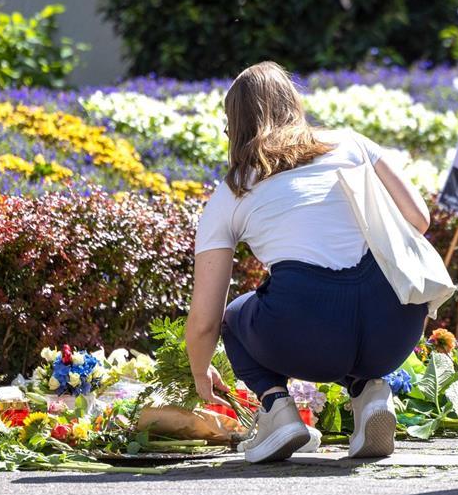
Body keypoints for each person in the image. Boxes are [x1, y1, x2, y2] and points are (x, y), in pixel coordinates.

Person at [184, 61, 431, 463]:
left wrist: (199, 373)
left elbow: (206, 320)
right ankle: (370, 393)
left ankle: (277, 410)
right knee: (350, 310)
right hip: (397, 324)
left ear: (236, 125)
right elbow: (419, 219)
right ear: (294, 104)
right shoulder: (352, 144)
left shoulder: (232, 191)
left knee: (235, 316)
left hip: (309, 332)